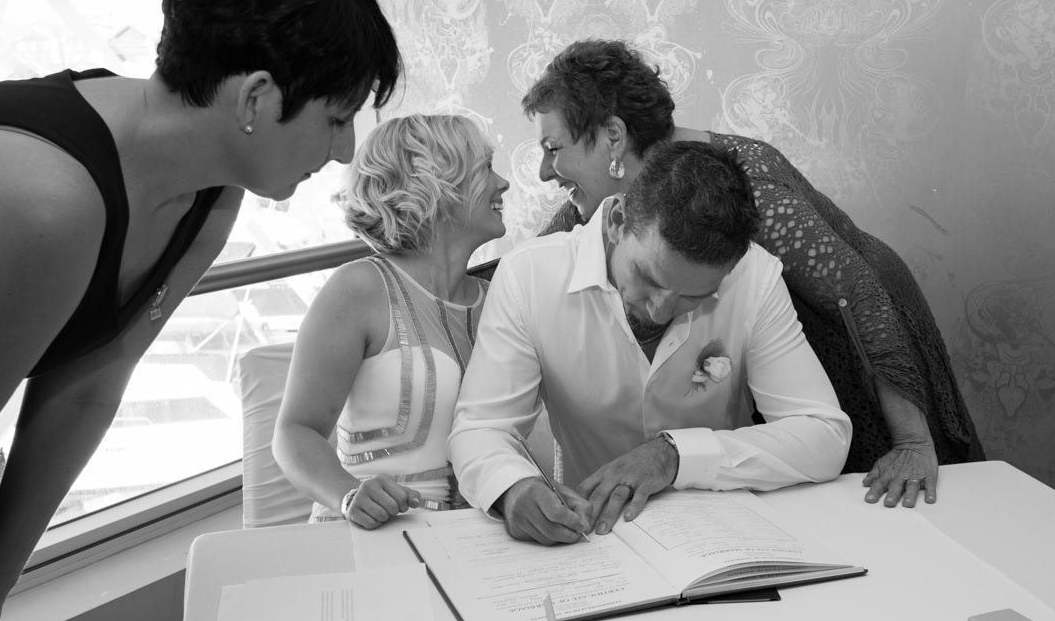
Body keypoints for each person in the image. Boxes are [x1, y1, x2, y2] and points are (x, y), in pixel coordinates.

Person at [0, 0, 400, 621]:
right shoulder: (46, 195)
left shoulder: (212, 198)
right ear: (258, 97)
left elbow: (90, 386)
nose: (343, 150)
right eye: (336, 119)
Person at [520, 38, 984, 512]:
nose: (543, 171)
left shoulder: (740, 186)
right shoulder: (621, 198)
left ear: (613, 137)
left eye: (553, 148)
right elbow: (543, 252)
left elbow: (857, 294)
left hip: (865, 337)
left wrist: (911, 441)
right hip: (807, 344)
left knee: (888, 494)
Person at [448, 140, 852, 545]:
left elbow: (824, 436)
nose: (660, 311)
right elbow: (480, 429)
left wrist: (675, 455)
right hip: (590, 540)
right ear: (619, 221)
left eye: (695, 296)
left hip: (726, 536)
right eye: (650, 279)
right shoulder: (529, 276)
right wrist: (511, 489)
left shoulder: (755, 278)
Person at [273, 115, 509, 527]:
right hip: (367, 538)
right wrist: (347, 496)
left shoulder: (501, 299)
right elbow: (295, 432)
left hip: (473, 545)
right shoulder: (359, 288)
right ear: (438, 183)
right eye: (485, 168)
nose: (502, 183)